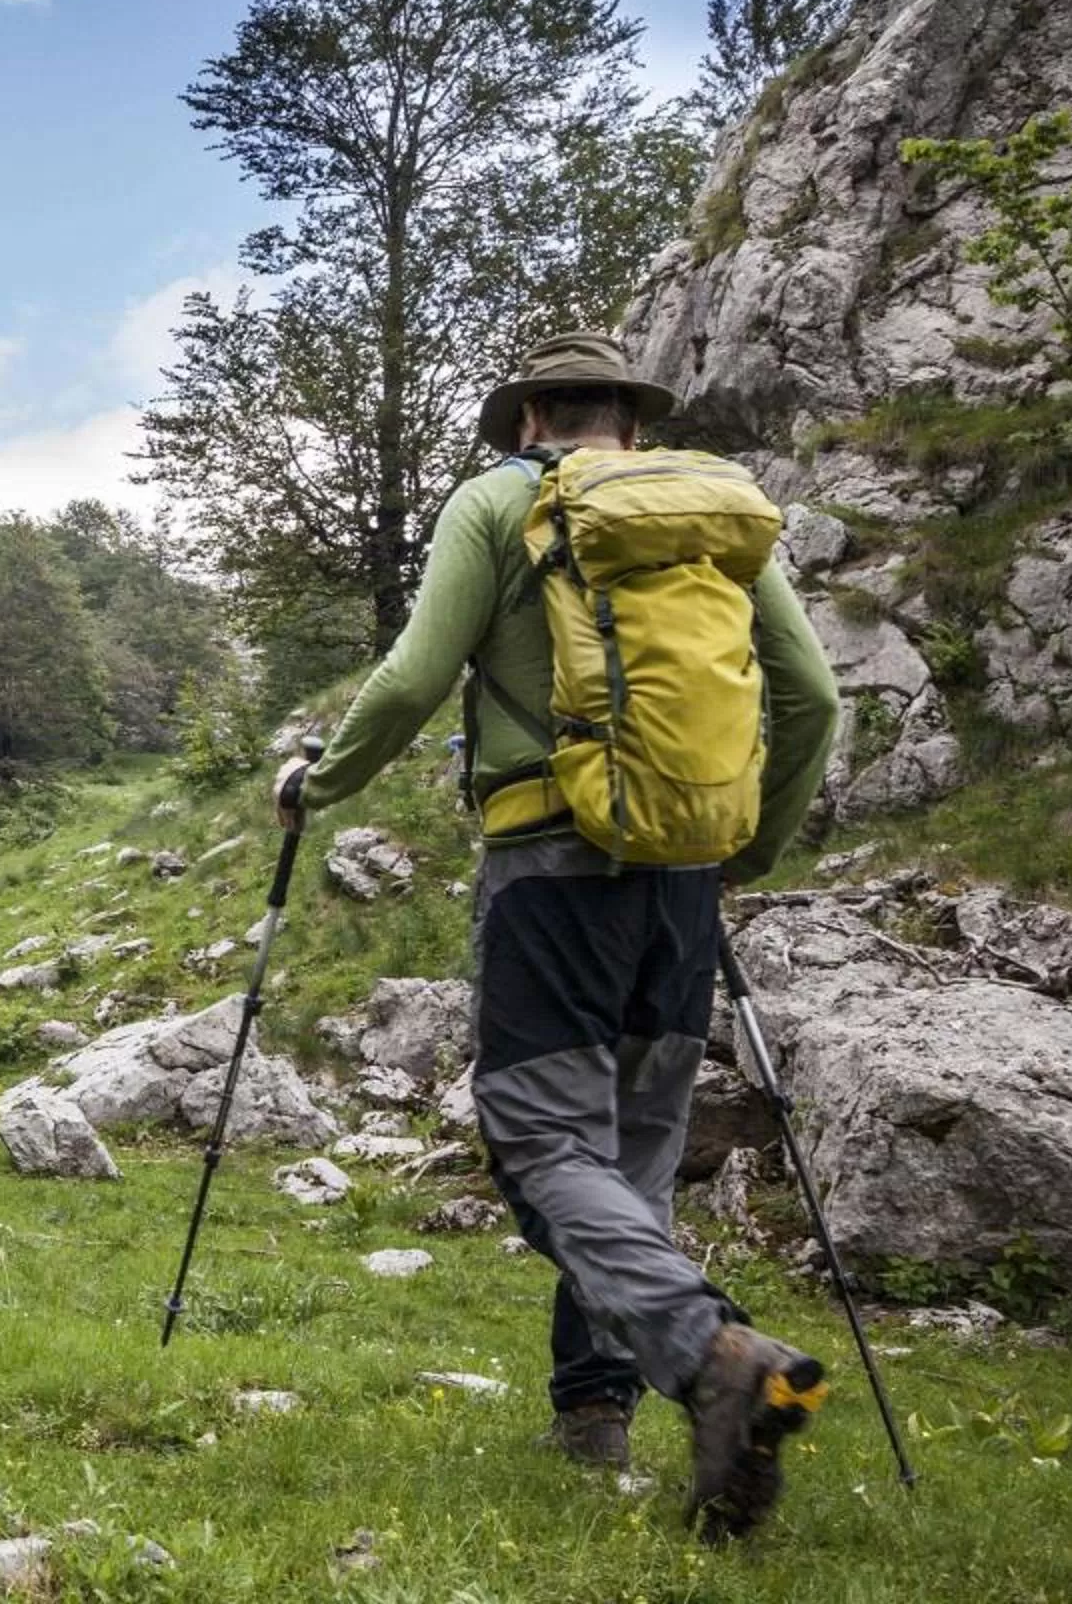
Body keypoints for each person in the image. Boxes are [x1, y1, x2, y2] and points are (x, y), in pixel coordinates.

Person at [273, 330, 840, 1542]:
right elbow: (815, 696)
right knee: (632, 1162)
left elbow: (420, 672)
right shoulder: (710, 514)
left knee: (541, 1145)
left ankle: (710, 1354)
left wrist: (319, 785)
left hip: (549, 868)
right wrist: (751, 846)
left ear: (529, 415)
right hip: (683, 882)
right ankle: (600, 1419)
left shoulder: (494, 502)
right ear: (630, 421)